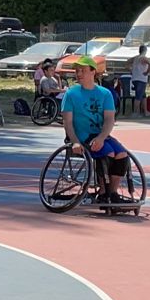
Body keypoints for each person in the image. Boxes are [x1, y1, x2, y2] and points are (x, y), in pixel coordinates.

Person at [60, 55, 132, 202]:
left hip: (100, 135)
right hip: (81, 136)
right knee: (107, 152)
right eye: (77, 71)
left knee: (122, 154)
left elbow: (109, 119)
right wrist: (75, 141)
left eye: (82, 70)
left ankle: (112, 192)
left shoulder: (105, 94)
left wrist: (101, 137)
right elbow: (67, 122)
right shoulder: (71, 94)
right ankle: (104, 191)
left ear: (93, 72)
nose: (78, 74)